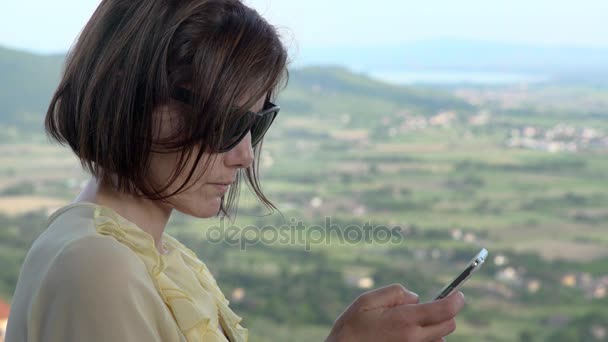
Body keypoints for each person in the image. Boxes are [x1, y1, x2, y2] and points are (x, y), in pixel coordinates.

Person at [5, 0, 465, 341]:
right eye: (226, 122)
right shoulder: (99, 267)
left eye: (257, 123)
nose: (245, 154)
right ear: (133, 100)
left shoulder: (151, 255)